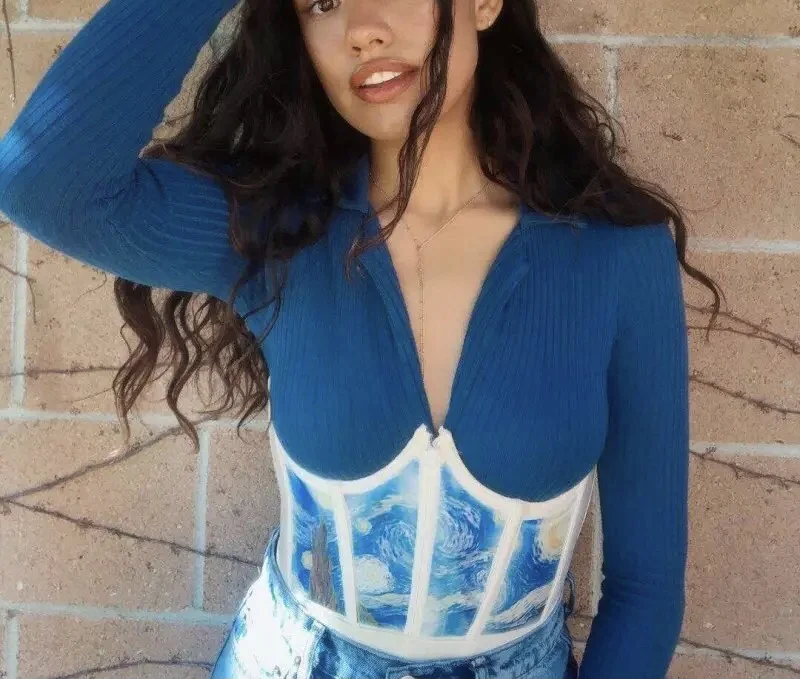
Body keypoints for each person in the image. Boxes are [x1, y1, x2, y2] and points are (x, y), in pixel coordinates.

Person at [0, 0, 724, 676]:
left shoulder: (616, 256)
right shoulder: (277, 236)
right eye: (321, 0)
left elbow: (645, 587)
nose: (360, 29)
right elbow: (45, 186)